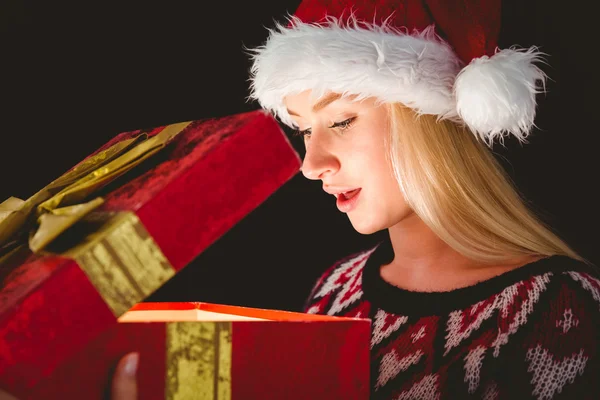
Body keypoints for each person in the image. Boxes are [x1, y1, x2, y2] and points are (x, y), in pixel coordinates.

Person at [10, 0, 594, 399]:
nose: (312, 166)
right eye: (303, 131)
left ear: (430, 123)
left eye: (340, 121)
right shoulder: (333, 290)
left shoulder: (556, 306)